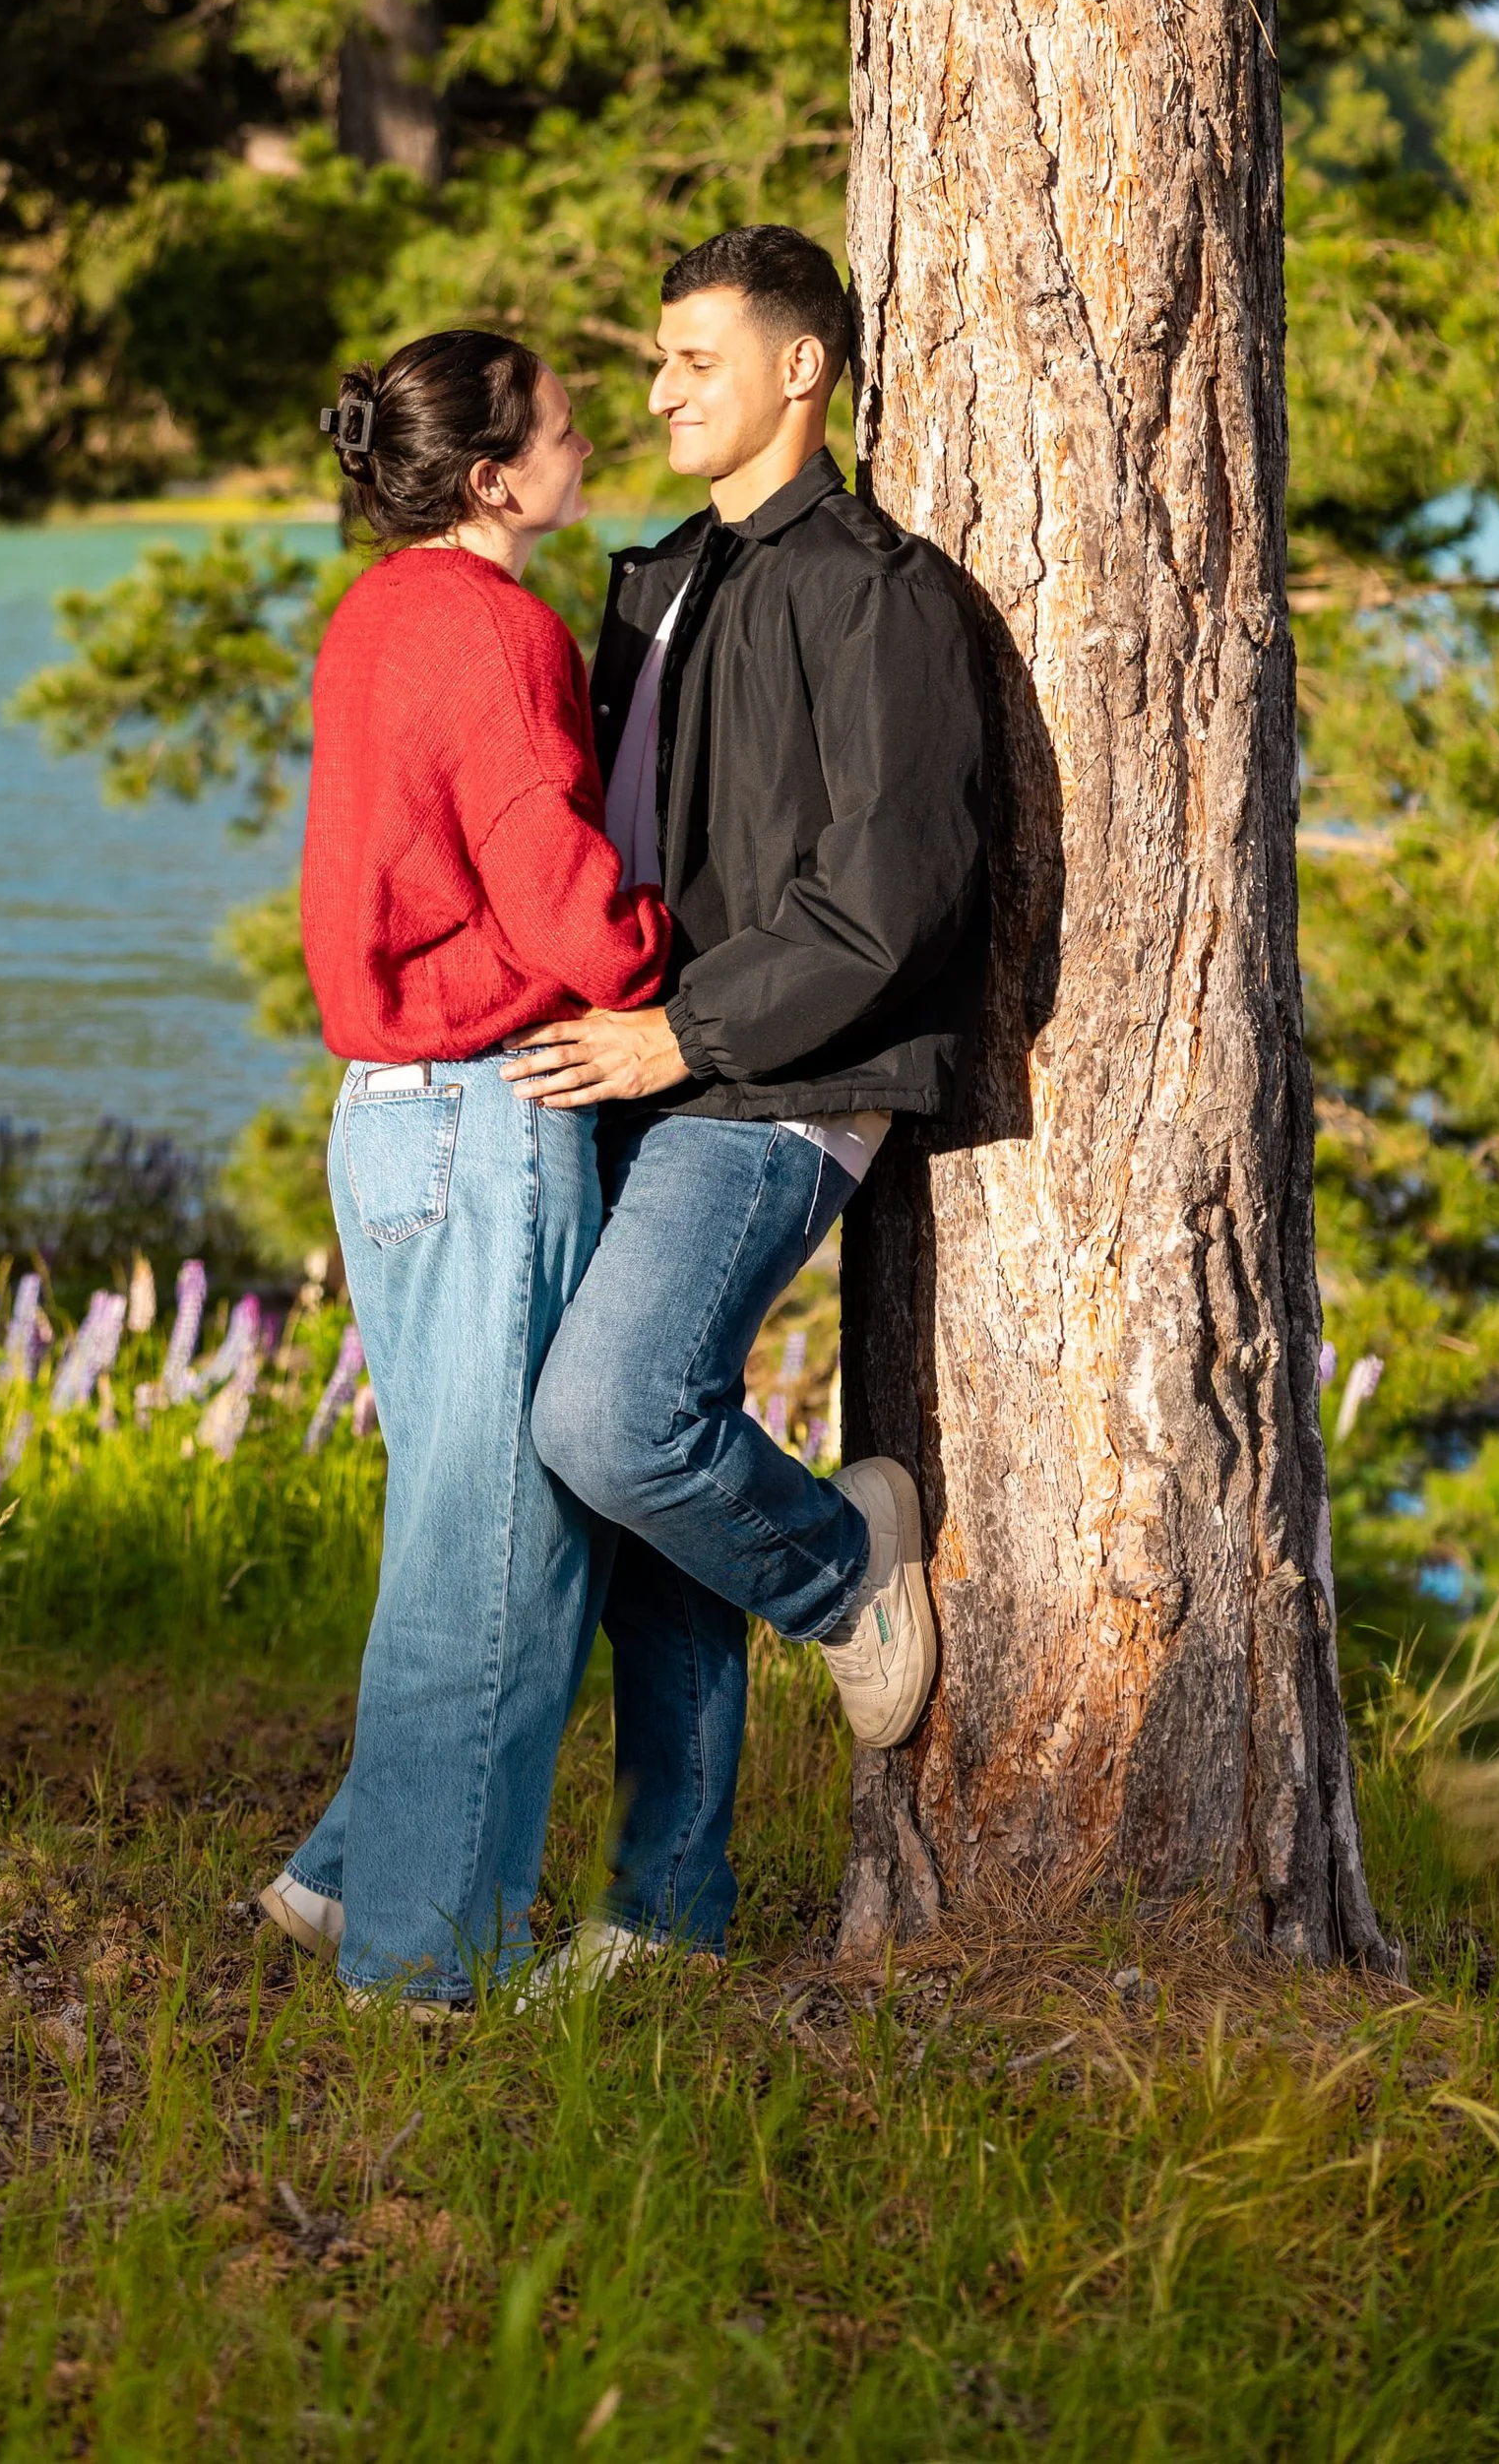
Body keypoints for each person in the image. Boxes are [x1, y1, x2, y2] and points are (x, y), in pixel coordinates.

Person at [508, 224, 987, 1982]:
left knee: (618, 1422)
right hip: (644, 1057)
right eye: (650, 361)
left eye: (692, 358)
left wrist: (680, 1035)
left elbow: (893, 895)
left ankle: (850, 1566)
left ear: (803, 366)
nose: (655, 394)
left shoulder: (879, 592)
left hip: (778, 1079)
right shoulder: (663, 577)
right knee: (644, 1505)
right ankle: (667, 1905)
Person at [259, 328, 671, 2005]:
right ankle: (426, 1975)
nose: (593, 442)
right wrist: (679, 963)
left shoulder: (375, 614)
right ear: (493, 476)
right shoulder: (497, 629)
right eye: (566, 429)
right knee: (497, 1552)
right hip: (488, 1105)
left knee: (461, 1528)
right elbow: (554, 882)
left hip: (389, 1113)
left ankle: (348, 1878)